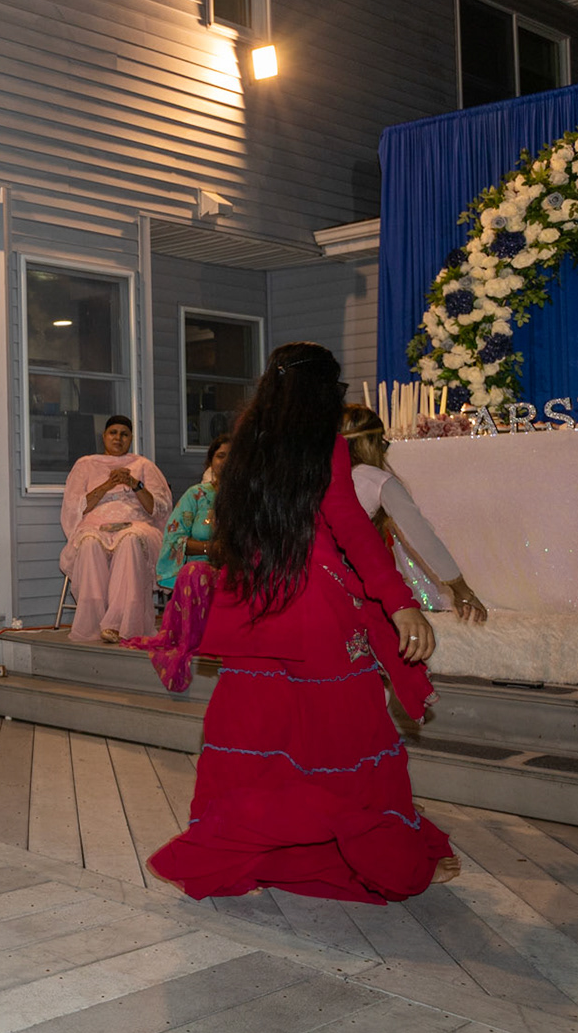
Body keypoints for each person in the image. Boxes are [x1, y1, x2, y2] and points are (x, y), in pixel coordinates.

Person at [148, 342, 456, 904]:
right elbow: (354, 531)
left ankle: (260, 849)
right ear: (322, 392)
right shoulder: (325, 447)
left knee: (261, 739)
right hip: (317, 612)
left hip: (256, 610)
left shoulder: (245, 449)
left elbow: (231, 537)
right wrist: (400, 601)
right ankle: (370, 852)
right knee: (342, 742)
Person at [339, 405, 488, 622]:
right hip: (345, 587)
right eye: (382, 442)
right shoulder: (376, 479)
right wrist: (463, 591)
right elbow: (421, 536)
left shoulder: (321, 476)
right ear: (369, 443)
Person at [59, 415, 172, 642]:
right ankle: (93, 623)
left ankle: (119, 624)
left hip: (137, 525)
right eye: (113, 433)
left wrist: (134, 484)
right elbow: (75, 508)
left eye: (124, 434)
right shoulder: (86, 464)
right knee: (89, 543)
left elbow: (158, 509)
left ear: (131, 439)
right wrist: (108, 484)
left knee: (130, 540)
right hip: (96, 526)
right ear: (104, 436)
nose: (118, 438)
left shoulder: (143, 465)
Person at [156, 434, 229, 591]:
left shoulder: (250, 497)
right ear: (210, 462)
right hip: (199, 570)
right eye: (221, 456)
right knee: (196, 573)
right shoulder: (196, 495)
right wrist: (209, 548)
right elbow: (173, 539)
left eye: (233, 456)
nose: (227, 461)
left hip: (238, 568)